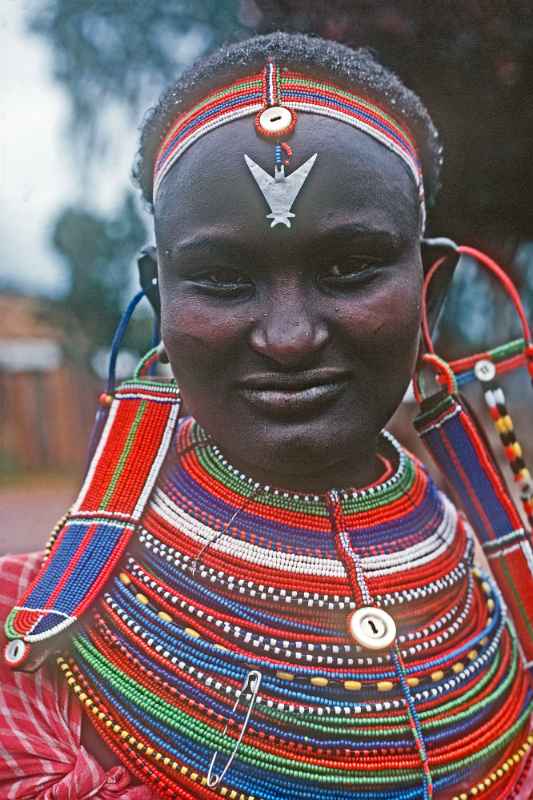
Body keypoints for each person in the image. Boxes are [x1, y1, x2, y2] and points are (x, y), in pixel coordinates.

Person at [0, 31, 531, 800]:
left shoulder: (500, 612)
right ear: (159, 299)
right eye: (219, 278)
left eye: (349, 267)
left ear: (430, 291)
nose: (288, 338)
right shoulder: (34, 635)